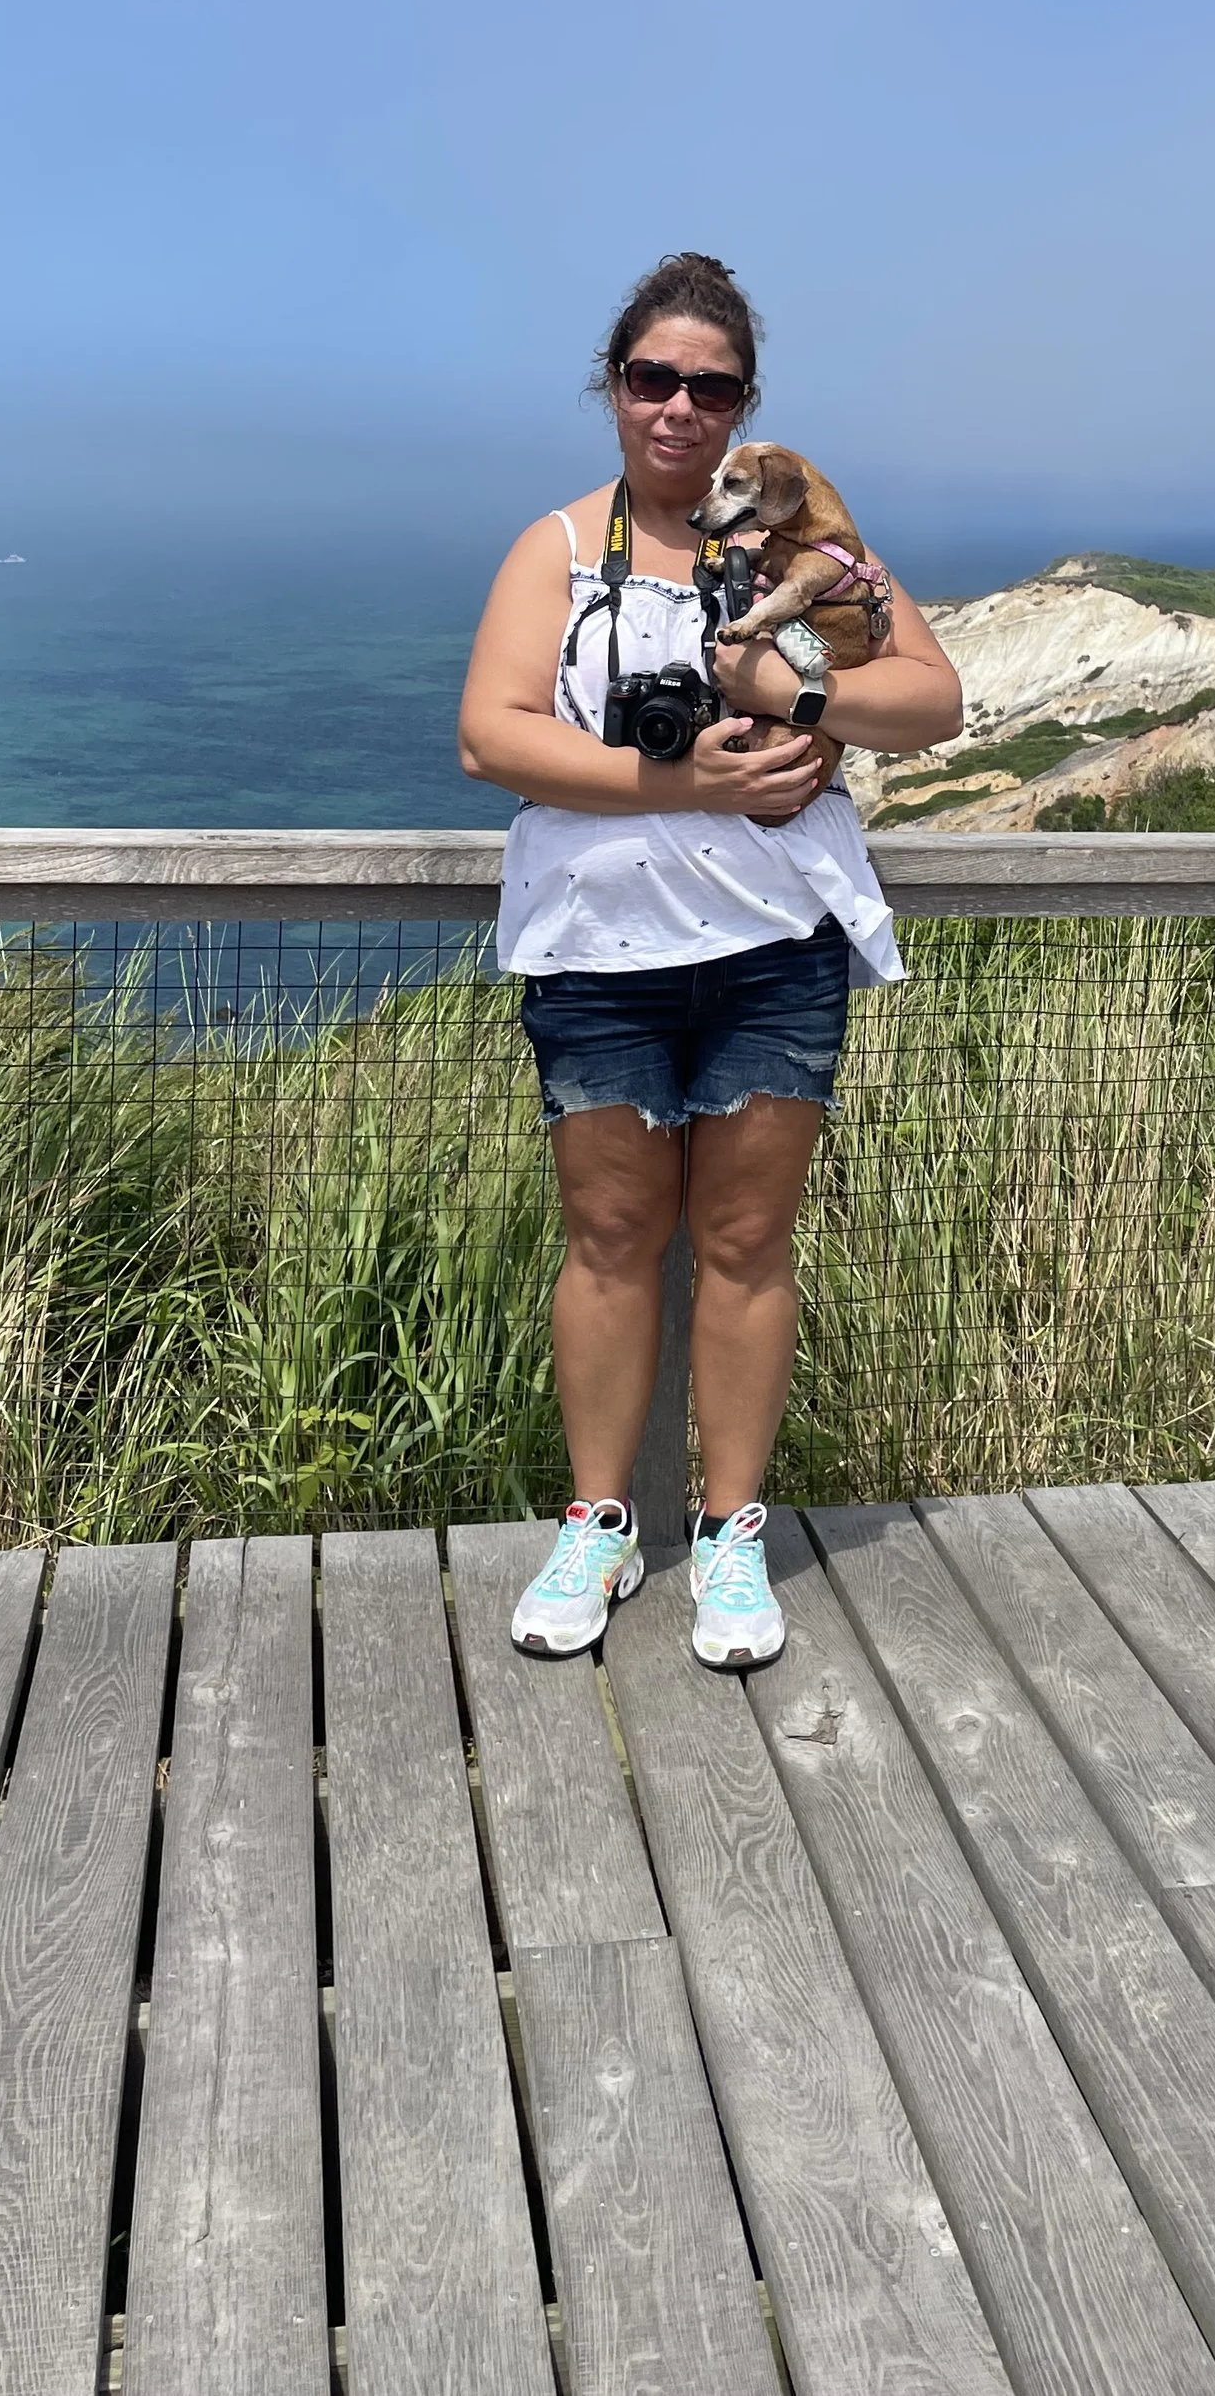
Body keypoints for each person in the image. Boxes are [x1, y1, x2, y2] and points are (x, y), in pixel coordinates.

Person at [458, 253, 963, 1668]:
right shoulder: (556, 553)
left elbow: (933, 701)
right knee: (612, 1241)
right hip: (601, 946)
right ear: (613, 393)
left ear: (746, 409)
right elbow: (492, 735)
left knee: (744, 1244)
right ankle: (602, 1524)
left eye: (711, 387)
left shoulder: (813, 555)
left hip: (775, 951)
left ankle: (731, 1537)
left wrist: (794, 687)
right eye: (651, 380)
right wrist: (689, 785)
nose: (679, 408)